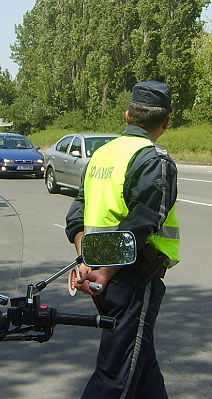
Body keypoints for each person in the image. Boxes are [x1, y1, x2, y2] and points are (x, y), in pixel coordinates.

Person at [65, 80, 179, 399]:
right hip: (131, 277)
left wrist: (89, 263)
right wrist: (104, 272)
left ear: (127, 115)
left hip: (102, 276)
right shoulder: (154, 159)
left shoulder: (103, 153)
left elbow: (77, 216)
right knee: (116, 374)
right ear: (166, 122)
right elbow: (141, 226)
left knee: (141, 362)